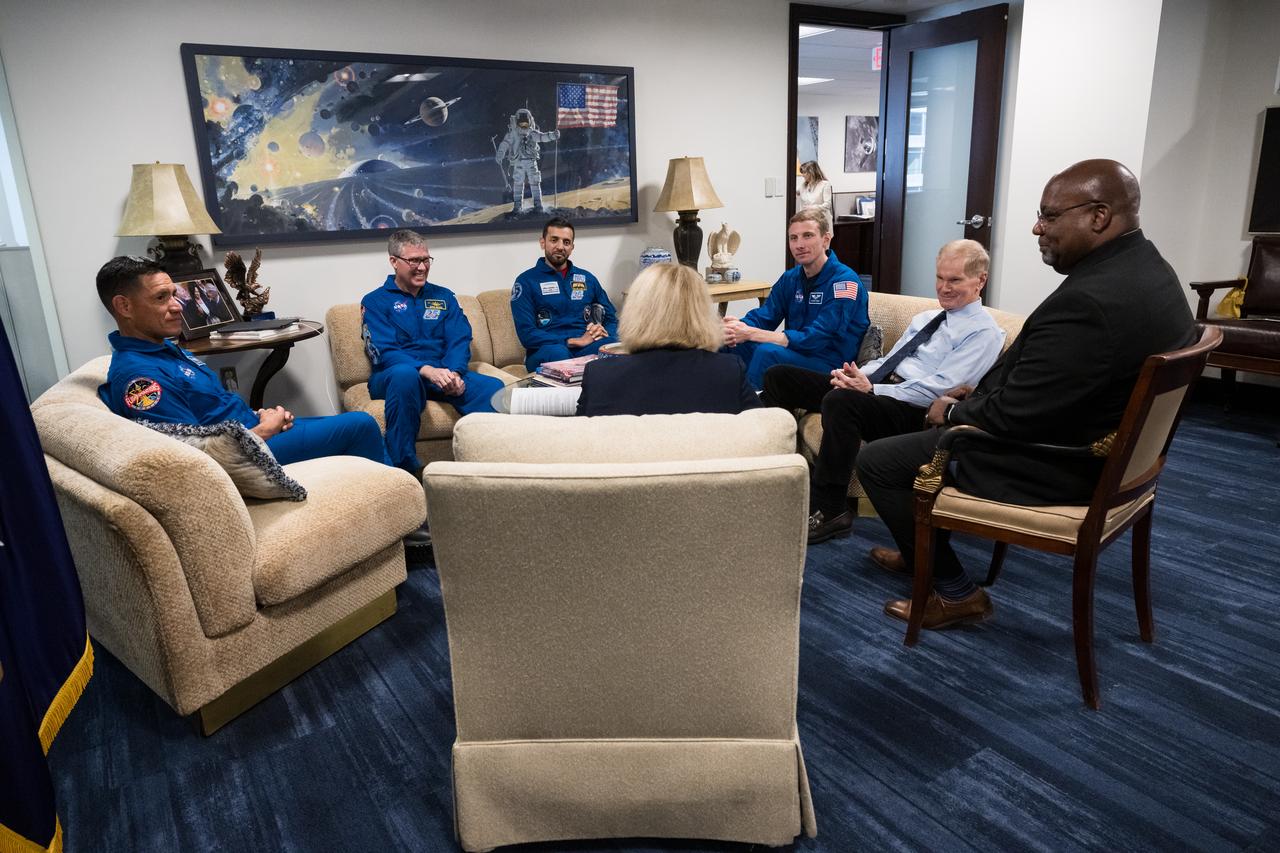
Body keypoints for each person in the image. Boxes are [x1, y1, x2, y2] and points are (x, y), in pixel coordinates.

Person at [856, 159, 1197, 630]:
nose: (1038, 227)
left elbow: (1016, 414)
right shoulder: (1151, 271)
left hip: (1056, 463)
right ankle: (921, 552)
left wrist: (954, 408)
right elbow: (1058, 383)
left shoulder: (1091, 302)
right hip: (1115, 458)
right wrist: (980, 391)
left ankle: (956, 592)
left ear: (1098, 216)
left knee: (879, 461)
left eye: (1051, 216)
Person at [762, 239, 1005, 544]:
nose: (944, 287)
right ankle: (770, 477)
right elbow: (889, 360)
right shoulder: (926, 319)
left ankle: (831, 508)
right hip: (879, 388)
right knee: (778, 377)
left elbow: (940, 389)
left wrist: (872, 389)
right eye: (940, 278)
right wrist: (855, 375)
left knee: (841, 402)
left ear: (980, 280)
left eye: (955, 280)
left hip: (917, 410)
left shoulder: (983, 333)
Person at [95, 255, 389, 468]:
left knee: (347, 425)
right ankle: (408, 525)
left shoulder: (162, 348)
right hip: (250, 450)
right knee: (361, 425)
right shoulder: (140, 376)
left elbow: (212, 410)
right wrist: (265, 430)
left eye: (174, 295)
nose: (176, 306)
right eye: (161, 298)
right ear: (124, 306)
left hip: (251, 428)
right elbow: (191, 457)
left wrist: (261, 417)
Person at [361, 229, 503, 474]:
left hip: (442, 373)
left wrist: (454, 373)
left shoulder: (444, 296)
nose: (422, 267)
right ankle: (405, 469)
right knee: (405, 375)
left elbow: (460, 338)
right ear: (394, 262)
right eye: (413, 260)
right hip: (394, 375)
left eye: (426, 259)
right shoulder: (375, 302)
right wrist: (427, 370)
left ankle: (491, 465)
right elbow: (384, 351)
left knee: (494, 388)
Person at [576, 263, 761, 416]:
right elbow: (764, 435)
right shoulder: (728, 371)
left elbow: (577, 449)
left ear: (636, 312)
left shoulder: (599, 376)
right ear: (701, 313)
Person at [723, 208, 869, 390]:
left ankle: (751, 413)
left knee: (767, 352)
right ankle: (717, 405)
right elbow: (764, 317)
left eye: (808, 236)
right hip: (797, 352)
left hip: (830, 363)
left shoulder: (844, 282)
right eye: (794, 238)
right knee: (730, 344)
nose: (799, 244)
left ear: (826, 239)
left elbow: (817, 338)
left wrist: (751, 333)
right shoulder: (790, 279)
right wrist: (735, 328)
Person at [511, 217, 619, 371]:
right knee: (559, 353)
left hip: (584, 348)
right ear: (543, 242)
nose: (560, 246)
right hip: (546, 351)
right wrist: (571, 341)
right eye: (554, 240)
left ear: (572, 247)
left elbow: (611, 318)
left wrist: (604, 333)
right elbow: (527, 334)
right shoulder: (526, 281)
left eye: (566, 242)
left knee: (610, 347)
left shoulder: (587, 279)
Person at [496, 107, 559, 216]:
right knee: (518, 184)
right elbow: (505, 144)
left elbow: (542, 137)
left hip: (530, 162)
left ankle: (538, 205)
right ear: (517, 122)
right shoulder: (513, 134)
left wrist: (553, 135)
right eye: (522, 124)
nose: (524, 126)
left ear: (530, 121)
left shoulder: (532, 133)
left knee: (534, 183)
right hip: (519, 162)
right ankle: (517, 206)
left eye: (526, 123)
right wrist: (500, 154)